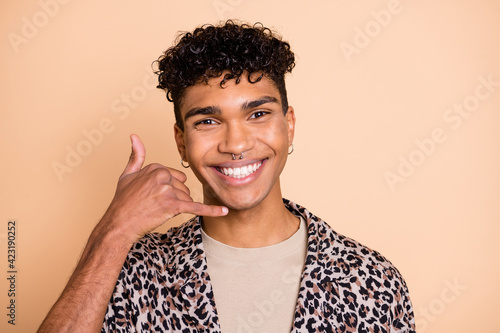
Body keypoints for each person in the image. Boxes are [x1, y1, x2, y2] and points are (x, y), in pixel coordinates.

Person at [38, 20, 416, 333]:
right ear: (182, 143)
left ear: (289, 126)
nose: (236, 143)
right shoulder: (134, 271)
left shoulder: (370, 279)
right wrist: (115, 229)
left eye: (258, 114)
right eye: (208, 121)